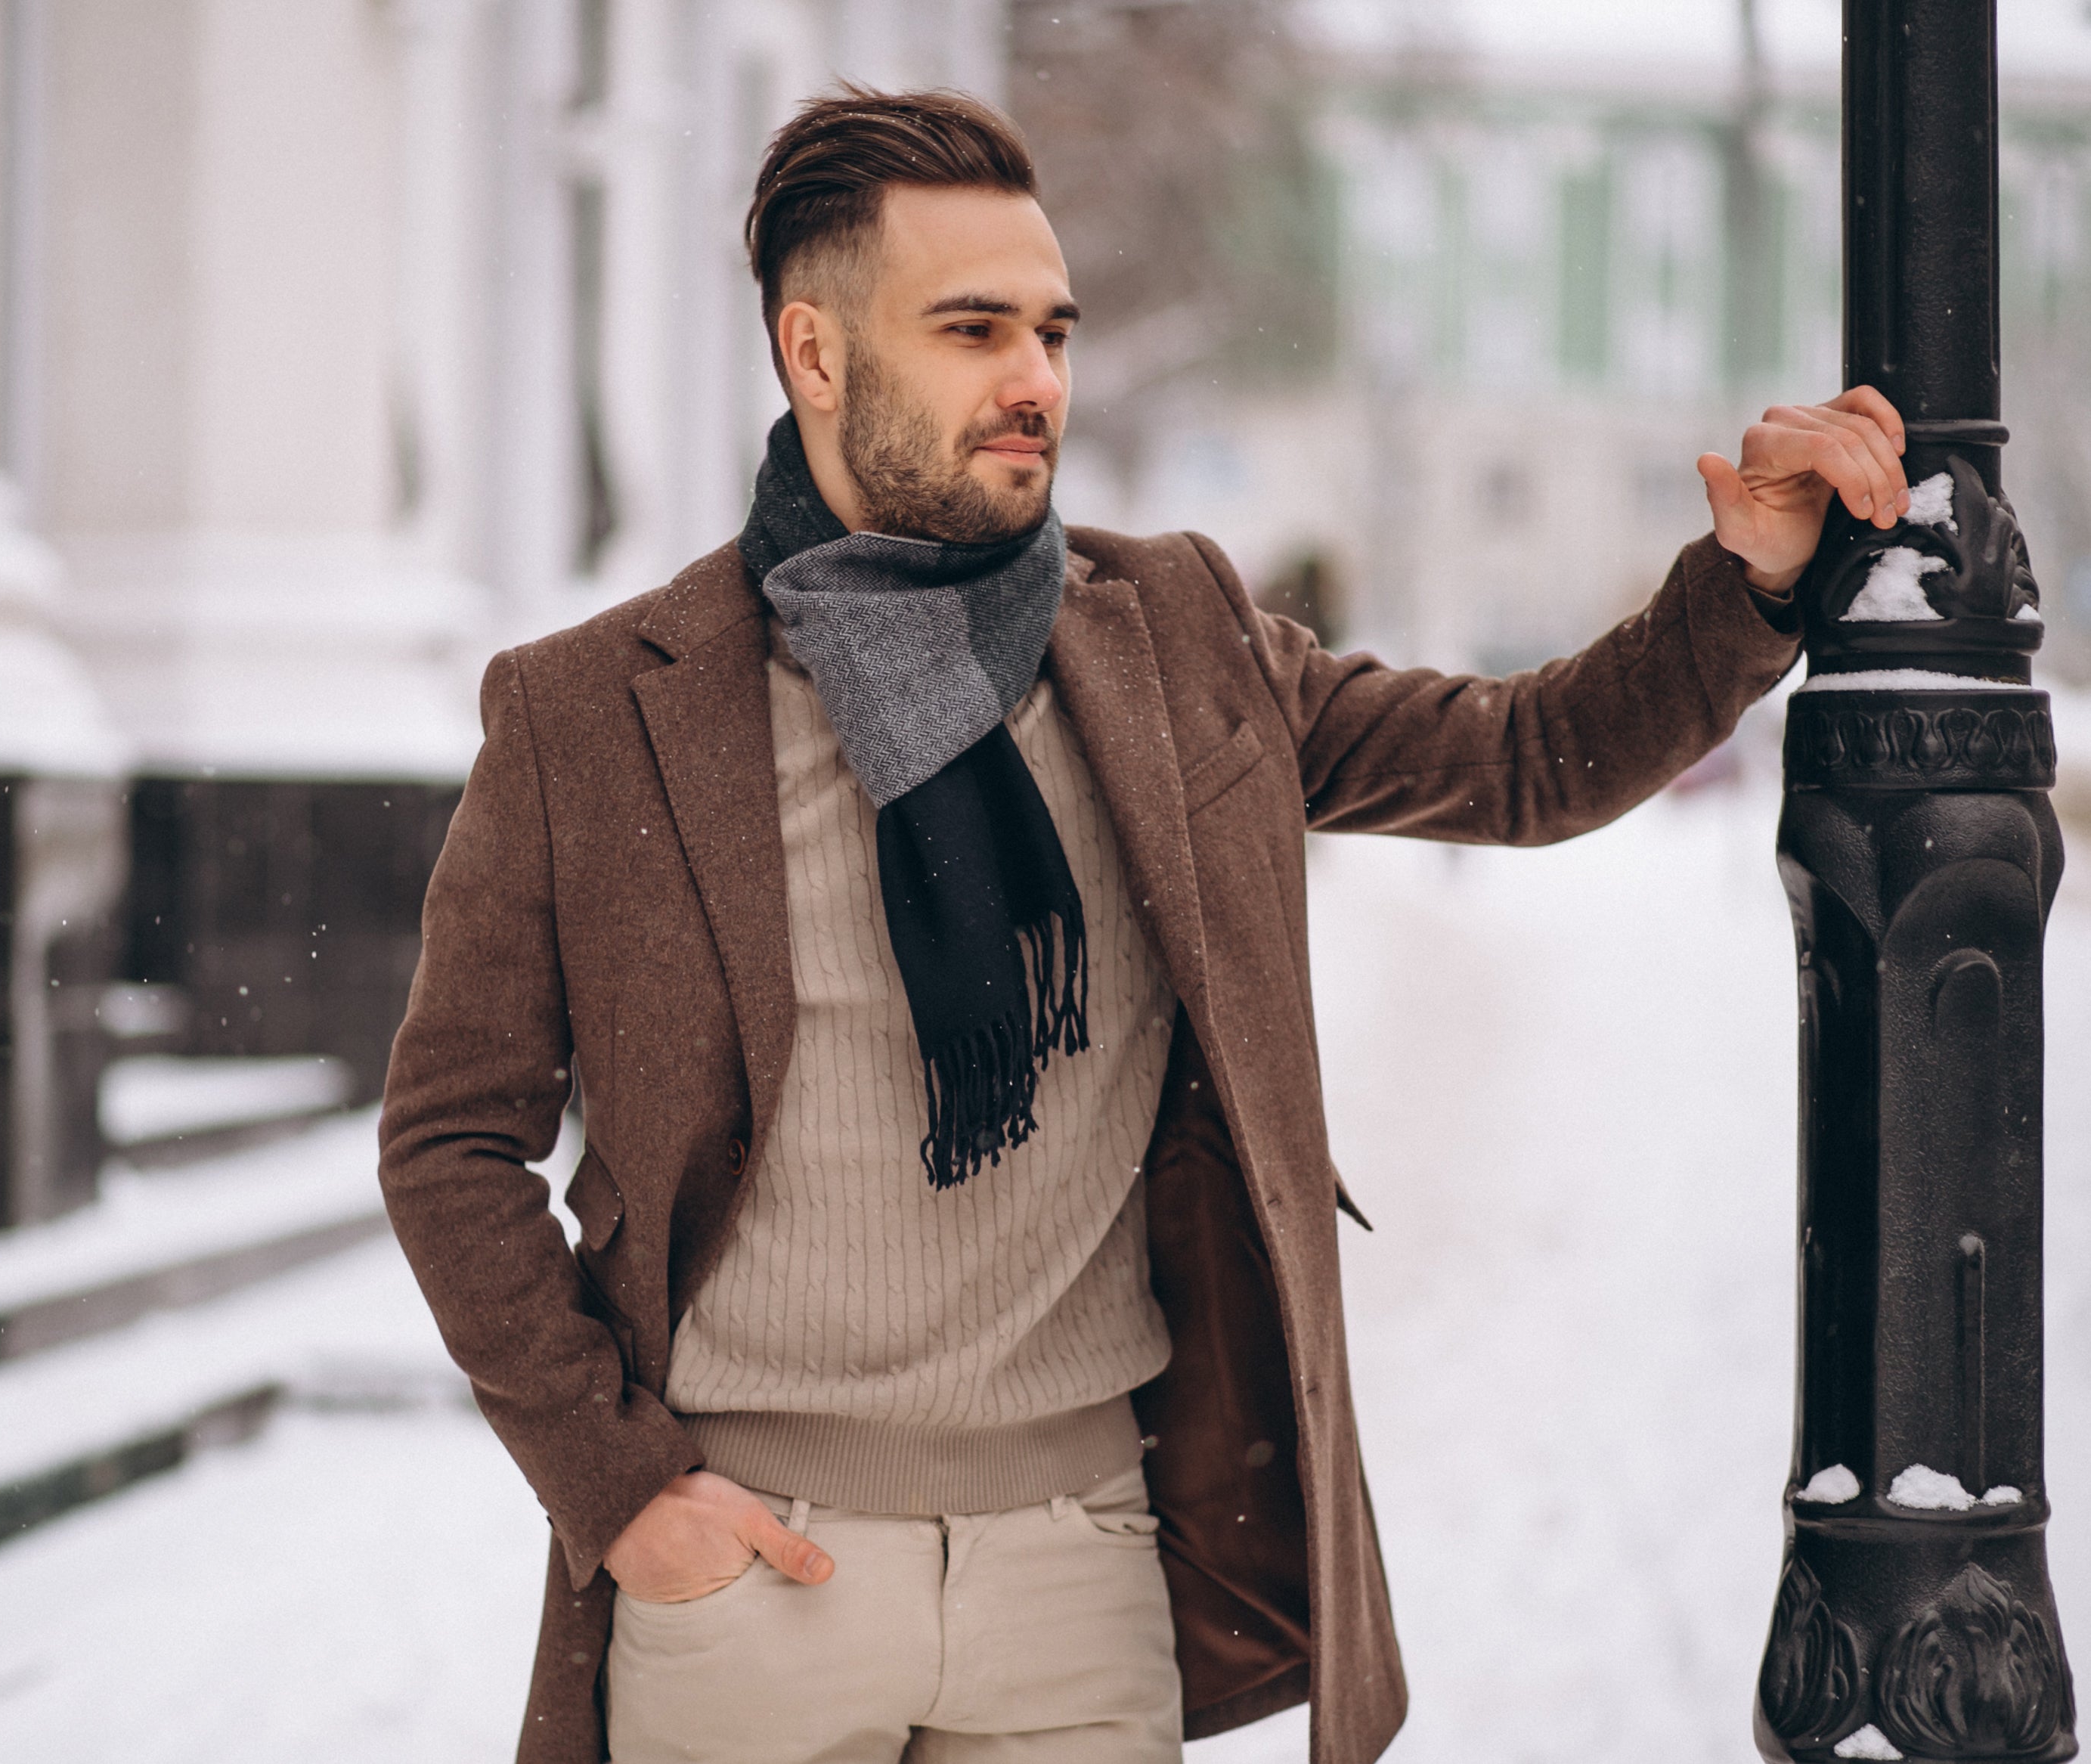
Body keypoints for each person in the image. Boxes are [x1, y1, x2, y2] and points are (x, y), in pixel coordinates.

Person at [378, 85, 1911, 1764]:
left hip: (1077, 1578)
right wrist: (624, 1494)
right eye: (969, 329)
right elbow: (453, 1138)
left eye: (1049, 329)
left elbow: (1520, 758)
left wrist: (1743, 575)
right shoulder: (598, 713)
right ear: (812, 356)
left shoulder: (1170, 642)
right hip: (747, 1581)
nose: (1033, 378)